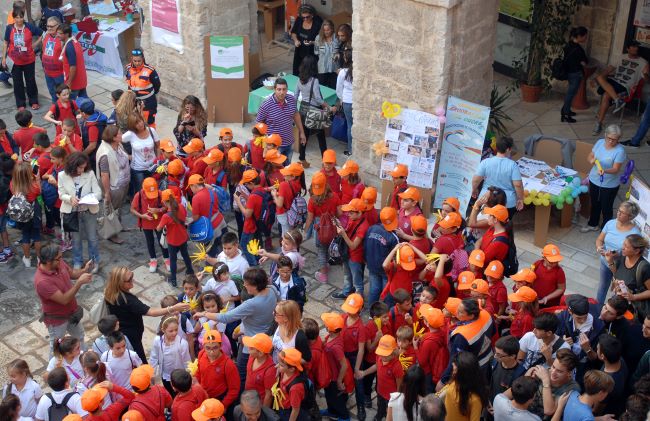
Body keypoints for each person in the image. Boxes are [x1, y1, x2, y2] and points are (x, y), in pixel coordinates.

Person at [194, 267, 277, 392]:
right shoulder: (272, 290)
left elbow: (226, 317)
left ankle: (241, 393)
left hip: (251, 342)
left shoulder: (252, 304)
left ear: (254, 286)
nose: (244, 285)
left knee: (242, 371)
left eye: (246, 284)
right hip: (265, 337)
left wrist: (204, 314)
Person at [103, 266, 189, 362]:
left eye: (132, 275)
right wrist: (173, 308)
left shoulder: (110, 293)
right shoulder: (127, 300)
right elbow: (151, 312)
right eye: (129, 279)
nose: (133, 279)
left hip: (124, 331)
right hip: (132, 336)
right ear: (120, 283)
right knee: (139, 359)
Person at [593, 40, 649, 136]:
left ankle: (599, 123)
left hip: (625, 85)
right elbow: (608, 70)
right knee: (599, 77)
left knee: (606, 94)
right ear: (628, 48)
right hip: (615, 80)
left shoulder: (643, 62)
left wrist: (646, 74)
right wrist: (599, 78)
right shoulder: (621, 57)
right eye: (633, 46)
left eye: (637, 46)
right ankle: (617, 100)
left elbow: (647, 80)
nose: (636, 48)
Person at [57, 151, 102, 270]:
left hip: (88, 210)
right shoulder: (62, 175)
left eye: (84, 167)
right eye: (80, 167)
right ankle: (78, 261)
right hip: (72, 212)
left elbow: (98, 192)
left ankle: (94, 261)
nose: (82, 170)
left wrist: (90, 198)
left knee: (92, 238)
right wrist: (70, 198)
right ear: (73, 166)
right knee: (76, 239)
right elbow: (61, 194)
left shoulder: (90, 173)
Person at [439, 298, 494, 388]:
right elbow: (493, 332)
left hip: (475, 368)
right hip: (489, 356)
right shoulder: (486, 314)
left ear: (471, 316)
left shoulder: (461, 336)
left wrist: (443, 381)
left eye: (460, 312)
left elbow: (455, 361)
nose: (456, 313)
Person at [510, 349, 580, 419]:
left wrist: (546, 381)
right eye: (553, 366)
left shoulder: (572, 388)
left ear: (569, 373)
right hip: (522, 415)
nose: (553, 372)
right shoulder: (542, 372)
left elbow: (549, 410)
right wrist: (526, 378)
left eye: (559, 371)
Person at [582, 124, 626, 232]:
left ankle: (605, 230)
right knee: (595, 203)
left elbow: (616, 169)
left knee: (606, 207)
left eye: (614, 140)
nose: (611, 141)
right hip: (594, 179)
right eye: (609, 138)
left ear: (618, 139)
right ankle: (593, 224)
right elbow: (590, 156)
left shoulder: (620, 151)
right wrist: (591, 160)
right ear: (605, 135)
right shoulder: (600, 142)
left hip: (609, 184)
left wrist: (604, 171)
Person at [595, 200, 641, 304]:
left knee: (618, 292)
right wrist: (599, 248)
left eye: (622, 212)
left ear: (630, 217)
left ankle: (614, 312)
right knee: (602, 287)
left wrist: (619, 254)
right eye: (619, 210)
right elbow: (599, 239)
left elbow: (635, 254)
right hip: (605, 262)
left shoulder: (635, 234)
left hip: (622, 267)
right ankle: (598, 308)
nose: (618, 213)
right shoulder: (611, 223)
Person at [256, 78, 306, 162]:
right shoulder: (266, 105)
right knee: (275, 171)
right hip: (274, 146)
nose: (281, 92)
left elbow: (296, 115)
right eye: (279, 89)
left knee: (287, 169)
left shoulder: (291, 99)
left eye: (284, 89)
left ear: (287, 90)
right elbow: (258, 124)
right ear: (274, 89)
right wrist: (266, 143)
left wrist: (302, 132)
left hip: (289, 142)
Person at [471, 136, 524, 216]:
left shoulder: (485, 162)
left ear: (496, 147)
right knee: (504, 223)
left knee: (486, 222)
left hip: (486, 199)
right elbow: (518, 185)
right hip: (507, 202)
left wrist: (474, 189)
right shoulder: (513, 165)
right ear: (508, 149)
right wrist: (520, 199)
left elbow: (475, 180)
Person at [2, 6, 42, 110]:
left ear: (23, 17)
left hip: (29, 59)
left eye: (21, 17)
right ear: (13, 18)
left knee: (30, 81)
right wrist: (3, 58)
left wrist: (34, 45)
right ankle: (20, 104)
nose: (19, 20)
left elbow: (43, 34)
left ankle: (33, 101)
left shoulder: (29, 26)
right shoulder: (9, 28)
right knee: (17, 82)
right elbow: (6, 43)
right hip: (15, 61)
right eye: (16, 18)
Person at [96, 125, 130, 244]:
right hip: (113, 186)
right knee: (112, 210)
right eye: (120, 134)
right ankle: (112, 234)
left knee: (119, 207)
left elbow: (126, 156)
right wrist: (107, 192)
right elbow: (104, 175)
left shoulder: (118, 145)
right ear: (114, 138)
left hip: (123, 183)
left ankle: (119, 226)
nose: (122, 135)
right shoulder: (105, 154)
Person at [296, 55, 331, 166]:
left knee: (304, 136)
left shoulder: (299, 79)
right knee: (321, 137)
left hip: (303, 110)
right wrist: (328, 107)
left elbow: (295, 95)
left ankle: (302, 159)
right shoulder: (314, 81)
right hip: (315, 112)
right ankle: (326, 161)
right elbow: (318, 99)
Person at [606, 234, 650, 320]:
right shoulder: (623, 256)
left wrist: (633, 297)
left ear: (636, 251)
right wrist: (610, 261)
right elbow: (617, 274)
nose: (622, 247)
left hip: (633, 311)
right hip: (619, 305)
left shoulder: (644, 268)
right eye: (623, 244)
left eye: (626, 246)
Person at [332, 198, 369, 299]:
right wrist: (340, 226)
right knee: (347, 275)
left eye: (351, 213)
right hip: (347, 253)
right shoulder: (353, 218)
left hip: (355, 257)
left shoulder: (363, 227)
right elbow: (348, 231)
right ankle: (346, 292)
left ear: (359, 213)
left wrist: (343, 234)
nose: (348, 214)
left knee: (357, 282)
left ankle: (358, 301)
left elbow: (353, 245)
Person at [130, 177, 169, 272]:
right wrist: (142, 216)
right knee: (149, 242)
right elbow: (132, 209)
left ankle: (167, 259)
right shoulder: (138, 196)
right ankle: (153, 260)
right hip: (146, 223)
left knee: (163, 241)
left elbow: (166, 207)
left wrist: (158, 210)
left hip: (159, 222)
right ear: (143, 189)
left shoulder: (160, 194)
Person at [158, 189, 195, 287]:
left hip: (173, 241)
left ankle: (173, 280)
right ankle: (190, 270)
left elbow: (158, 228)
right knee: (185, 255)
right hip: (183, 237)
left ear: (165, 202)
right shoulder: (182, 207)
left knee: (173, 260)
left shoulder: (166, 216)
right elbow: (184, 217)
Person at [437, 351, 488, 421]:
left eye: (455, 366)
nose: (452, 364)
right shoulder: (455, 381)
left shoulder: (475, 400)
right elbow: (440, 394)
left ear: (462, 373)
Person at [365, 207, 400, 305]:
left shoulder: (371, 228)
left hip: (372, 265)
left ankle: (372, 312)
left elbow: (365, 245)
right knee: (387, 292)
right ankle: (386, 312)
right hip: (386, 270)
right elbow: (396, 257)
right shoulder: (393, 237)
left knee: (374, 289)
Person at [10, 160, 42, 267]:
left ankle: (27, 259)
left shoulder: (13, 185)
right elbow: (39, 192)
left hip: (22, 214)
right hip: (34, 211)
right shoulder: (33, 187)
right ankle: (39, 258)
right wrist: (37, 179)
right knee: (36, 235)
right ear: (29, 174)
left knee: (25, 235)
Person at [123, 113, 160, 193]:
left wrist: (158, 161)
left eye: (140, 121)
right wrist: (126, 155)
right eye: (136, 123)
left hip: (153, 167)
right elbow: (117, 141)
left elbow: (158, 146)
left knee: (153, 190)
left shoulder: (151, 131)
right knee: (141, 192)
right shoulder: (130, 134)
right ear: (132, 126)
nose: (140, 124)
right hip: (138, 169)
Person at [125, 48, 160, 127]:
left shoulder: (150, 71)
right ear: (132, 59)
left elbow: (157, 85)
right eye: (135, 61)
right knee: (136, 122)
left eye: (139, 61)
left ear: (143, 59)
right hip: (133, 101)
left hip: (148, 102)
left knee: (149, 123)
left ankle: (151, 138)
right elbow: (129, 83)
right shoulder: (128, 68)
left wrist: (150, 95)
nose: (137, 63)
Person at [560, 27, 589, 123]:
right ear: (579, 36)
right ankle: (565, 114)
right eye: (585, 36)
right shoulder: (578, 49)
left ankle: (566, 110)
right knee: (570, 94)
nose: (586, 38)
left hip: (568, 72)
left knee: (570, 93)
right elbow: (584, 63)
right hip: (576, 74)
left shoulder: (568, 45)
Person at [489, 336, 526, 407]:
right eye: (495, 352)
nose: (495, 356)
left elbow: (517, 399)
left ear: (512, 356)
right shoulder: (494, 362)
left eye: (499, 355)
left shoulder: (521, 374)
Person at [56, 23, 87, 99]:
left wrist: (69, 83)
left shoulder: (69, 47)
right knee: (84, 102)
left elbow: (73, 67)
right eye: (57, 33)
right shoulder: (75, 42)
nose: (57, 35)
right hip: (81, 80)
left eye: (60, 33)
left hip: (74, 83)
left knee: (71, 105)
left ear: (66, 34)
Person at [290, 4, 322, 76]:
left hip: (312, 54)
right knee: (298, 72)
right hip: (300, 51)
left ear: (312, 15)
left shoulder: (318, 23)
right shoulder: (299, 20)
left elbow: (322, 40)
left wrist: (312, 42)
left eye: (307, 17)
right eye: (303, 17)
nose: (305, 19)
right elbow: (293, 32)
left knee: (310, 74)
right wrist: (295, 40)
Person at [40, 16, 64, 103]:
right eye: (48, 26)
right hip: (48, 73)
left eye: (51, 26)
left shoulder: (62, 38)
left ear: (58, 25)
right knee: (52, 93)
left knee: (62, 95)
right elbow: (43, 51)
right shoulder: (45, 35)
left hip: (59, 74)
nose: (49, 28)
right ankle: (56, 109)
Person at [336, 48, 353, 156]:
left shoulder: (343, 72)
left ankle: (351, 149)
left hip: (347, 101)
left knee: (350, 126)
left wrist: (341, 98)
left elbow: (339, 88)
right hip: (357, 101)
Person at [314, 19, 338, 89]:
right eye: (324, 30)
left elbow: (339, 51)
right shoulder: (318, 38)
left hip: (334, 68)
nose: (326, 32)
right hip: (322, 68)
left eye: (328, 30)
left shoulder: (336, 38)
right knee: (321, 87)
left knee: (333, 88)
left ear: (332, 29)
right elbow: (316, 52)